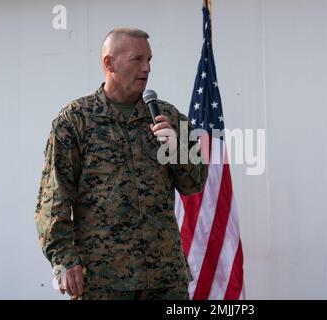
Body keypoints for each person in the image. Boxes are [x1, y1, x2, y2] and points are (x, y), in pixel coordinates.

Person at [34, 27, 208, 300]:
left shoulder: (168, 117)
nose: (147, 68)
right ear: (109, 63)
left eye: (149, 60)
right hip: (103, 280)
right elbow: (53, 199)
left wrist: (178, 152)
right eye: (137, 59)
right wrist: (64, 259)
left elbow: (194, 185)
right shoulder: (75, 121)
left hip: (165, 278)